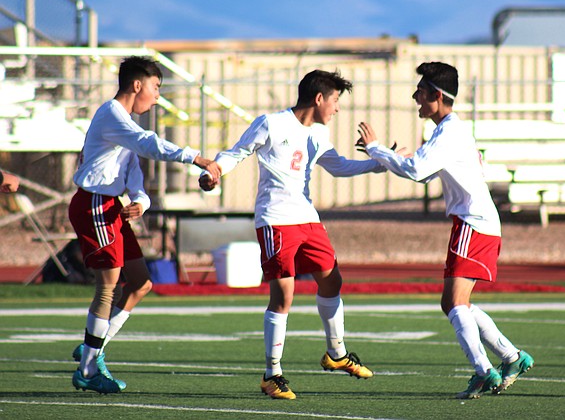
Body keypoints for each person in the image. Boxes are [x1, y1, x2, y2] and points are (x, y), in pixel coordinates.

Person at [199, 69, 381, 400]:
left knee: (332, 280)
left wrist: (379, 162)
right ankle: (272, 375)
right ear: (319, 98)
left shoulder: (319, 133)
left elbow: (338, 166)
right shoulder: (271, 123)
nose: (337, 109)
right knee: (284, 295)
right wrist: (215, 172)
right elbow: (237, 151)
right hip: (276, 220)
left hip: (307, 219)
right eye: (336, 100)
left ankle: (336, 354)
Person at [356, 61, 533, 399]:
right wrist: (389, 157)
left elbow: (418, 170)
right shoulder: (449, 130)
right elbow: (420, 169)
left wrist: (377, 150)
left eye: (420, 92)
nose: (415, 97)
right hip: (476, 222)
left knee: (454, 303)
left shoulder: (449, 132)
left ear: (437, 96)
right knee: (453, 303)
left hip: (474, 224)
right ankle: (512, 357)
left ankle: (484, 372)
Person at [69, 56, 221, 394]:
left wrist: (143, 201)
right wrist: (195, 156)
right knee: (108, 286)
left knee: (140, 284)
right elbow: (148, 144)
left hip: (111, 206)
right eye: (155, 88)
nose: (156, 97)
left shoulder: (125, 124)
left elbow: (134, 171)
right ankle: (89, 369)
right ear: (137, 85)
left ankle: (93, 349)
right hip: (94, 202)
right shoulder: (112, 114)